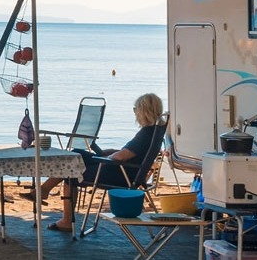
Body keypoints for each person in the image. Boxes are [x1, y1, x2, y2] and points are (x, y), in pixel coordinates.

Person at [21, 93, 166, 232]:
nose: (134, 112)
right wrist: (108, 152)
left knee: (70, 173)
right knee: (77, 153)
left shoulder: (145, 134)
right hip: (125, 170)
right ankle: (44, 190)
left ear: (143, 111)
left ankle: (65, 220)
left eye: (136, 109)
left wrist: (106, 157)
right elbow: (131, 153)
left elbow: (120, 157)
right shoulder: (153, 132)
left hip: (120, 174)